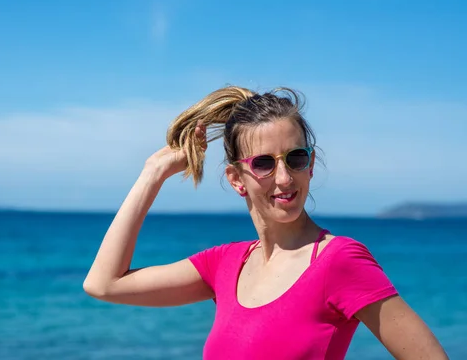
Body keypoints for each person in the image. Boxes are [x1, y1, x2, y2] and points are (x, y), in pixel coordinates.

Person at [83, 86, 448, 359]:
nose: (285, 178)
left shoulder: (339, 260)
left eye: (296, 158)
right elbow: (104, 283)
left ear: (311, 163)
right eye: (263, 163)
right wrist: (154, 173)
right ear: (235, 178)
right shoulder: (224, 265)